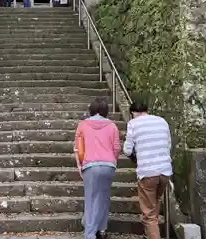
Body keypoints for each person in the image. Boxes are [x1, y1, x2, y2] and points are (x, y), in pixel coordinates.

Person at [123, 100, 173, 239]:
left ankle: (152, 234)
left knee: (149, 213)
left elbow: (127, 150)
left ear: (133, 112)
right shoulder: (162, 121)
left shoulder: (133, 123)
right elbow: (168, 145)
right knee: (155, 202)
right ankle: (150, 233)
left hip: (147, 172)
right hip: (165, 170)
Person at [74, 97, 121, 239]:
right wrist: (112, 160)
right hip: (108, 165)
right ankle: (102, 229)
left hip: (90, 165)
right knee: (104, 197)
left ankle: (89, 234)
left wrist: (79, 165)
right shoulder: (112, 126)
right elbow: (117, 148)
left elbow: (77, 148)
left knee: (91, 198)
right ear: (106, 110)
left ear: (91, 109)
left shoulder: (83, 125)